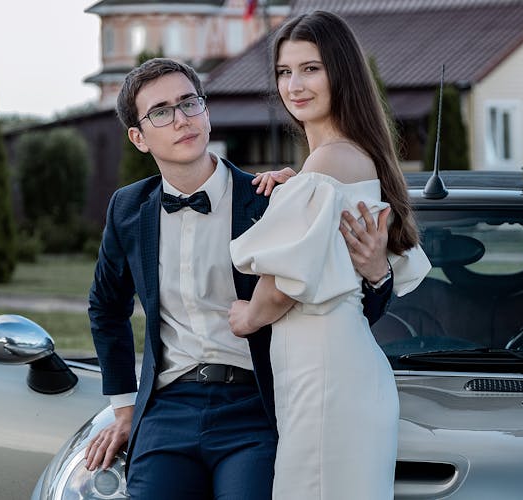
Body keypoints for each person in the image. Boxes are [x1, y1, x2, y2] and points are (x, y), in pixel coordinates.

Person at [83, 57, 395, 499]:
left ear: (207, 112)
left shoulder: (273, 198)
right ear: (138, 137)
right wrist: (123, 407)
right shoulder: (128, 208)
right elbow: (106, 306)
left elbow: (346, 310)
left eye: (189, 103)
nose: (181, 120)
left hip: (254, 406)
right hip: (167, 409)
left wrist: (376, 273)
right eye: (161, 112)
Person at [228, 11, 431, 499]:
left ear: (342, 72)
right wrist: (296, 189)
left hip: (326, 379)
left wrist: (247, 316)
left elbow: (282, 284)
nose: (294, 85)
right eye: (284, 71)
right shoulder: (343, 160)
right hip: (337, 371)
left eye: (310, 68)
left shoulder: (329, 162)